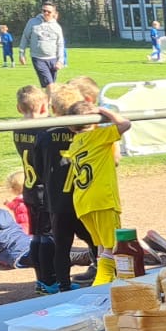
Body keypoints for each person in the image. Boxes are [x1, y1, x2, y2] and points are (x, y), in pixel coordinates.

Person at [59, 84, 132, 286]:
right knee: (112, 246)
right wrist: (103, 112)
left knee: (101, 245)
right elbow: (125, 124)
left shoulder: (75, 142)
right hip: (102, 199)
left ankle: (106, 279)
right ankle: (102, 285)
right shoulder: (99, 136)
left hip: (83, 201)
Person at [44, 82, 97, 290]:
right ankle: (101, 274)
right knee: (95, 240)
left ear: (53, 108)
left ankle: (63, 286)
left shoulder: (45, 135)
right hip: (82, 197)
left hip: (58, 200)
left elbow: (39, 168)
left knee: (62, 247)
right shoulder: (88, 134)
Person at [10, 85, 58, 294]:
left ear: (19, 108)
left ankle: (41, 281)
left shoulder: (18, 128)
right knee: (47, 237)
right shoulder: (44, 130)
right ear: (44, 106)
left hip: (29, 189)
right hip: (44, 190)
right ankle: (49, 281)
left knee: (37, 237)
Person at [19, 3, 65, 86]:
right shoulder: (33, 22)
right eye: (44, 11)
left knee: (51, 85)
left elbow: (60, 44)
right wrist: (21, 54)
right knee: (49, 85)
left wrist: (60, 60)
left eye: (49, 11)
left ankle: (48, 95)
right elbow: (25, 37)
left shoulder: (57, 27)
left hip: (53, 58)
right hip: (38, 58)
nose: (46, 13)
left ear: (54, 13)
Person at [3, 169, 32, 234]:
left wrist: (7, 203)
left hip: (24, 229)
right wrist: (8, 204)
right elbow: (13, 205)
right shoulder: (31, 198)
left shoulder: (19, 202)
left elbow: (14, 206)